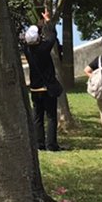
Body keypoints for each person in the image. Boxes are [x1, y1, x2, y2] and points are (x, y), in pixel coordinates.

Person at [23, 10, 64, 151]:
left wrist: (39, 26)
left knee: (38, 117)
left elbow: (33, 38)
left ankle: (39, 143)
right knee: (51, 117)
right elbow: (52, 36)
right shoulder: (43, 49)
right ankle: (51, 144)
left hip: (35, 88)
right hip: (47, 88)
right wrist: (47, 21)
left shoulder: (27, 50)